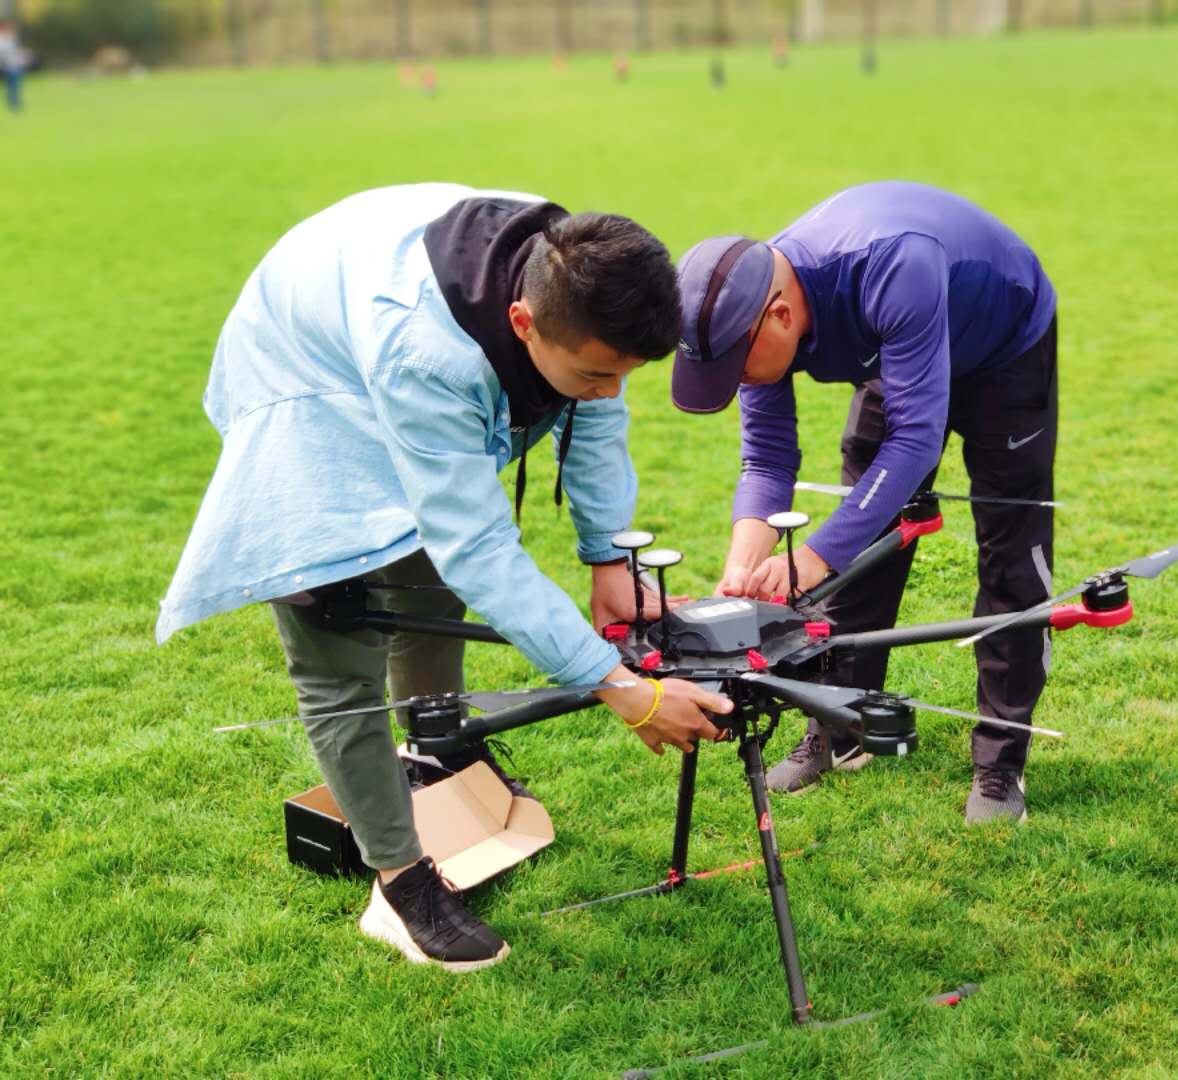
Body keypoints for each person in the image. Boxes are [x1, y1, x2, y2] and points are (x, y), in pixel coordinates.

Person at [159, 184, 731, 971]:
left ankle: (438, 750)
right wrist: (620, 687)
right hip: (302, 373)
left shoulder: (577, 273)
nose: (613, 390)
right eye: (599, 371)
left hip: (367, 301)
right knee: (341, 626)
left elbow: (593, 416)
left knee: (427, 572)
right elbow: (480, 548)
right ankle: (399, 884)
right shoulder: (425, 354)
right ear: (524, 323)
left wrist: (606, 556)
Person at [671, 180, 1057, 824]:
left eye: (737, 368)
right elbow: (767, 456)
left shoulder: (891, 265)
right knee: (864, 546)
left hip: (1004, 342)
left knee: (1011, 554)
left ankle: (999, 766)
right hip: (903, 348)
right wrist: (744, 561)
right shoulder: (754, 305)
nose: (737, 382)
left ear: (782, 318)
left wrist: (811, 559)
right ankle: (840, 725)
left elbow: (914, 439)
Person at [0, 20, 26, 112]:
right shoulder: (3, 39)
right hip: (4, 65)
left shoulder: (11, 38)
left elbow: (16, 51)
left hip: (11, 65)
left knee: (14, 85)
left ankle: (14, 102)